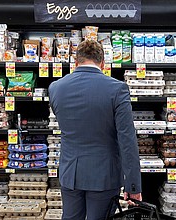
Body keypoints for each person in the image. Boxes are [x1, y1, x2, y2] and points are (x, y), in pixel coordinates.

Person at [48, 40, 142, 220]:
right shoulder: (117, 89)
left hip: (70, 173)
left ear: (75, 63)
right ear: (103, 63)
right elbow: (127, 140)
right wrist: (133, 186)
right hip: (104, 176)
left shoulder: (56, 88)